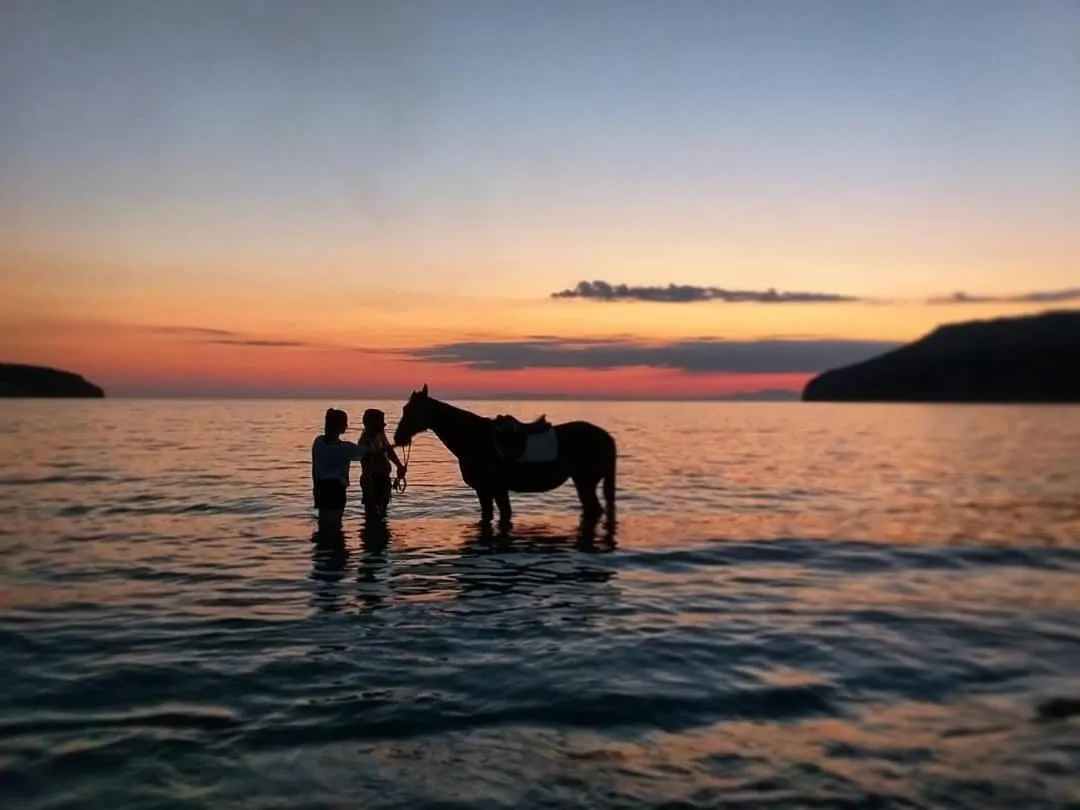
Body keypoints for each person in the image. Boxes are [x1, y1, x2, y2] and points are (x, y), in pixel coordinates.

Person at [311, 407, 384, 532]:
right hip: (336, 490)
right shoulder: (344, 449)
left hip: (320, 488)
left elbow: (314, 468)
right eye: (345, 423)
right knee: (334, 526)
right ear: (338, 426)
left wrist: (315, 488)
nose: (347, 425)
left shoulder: (318, 442)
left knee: (323, 525)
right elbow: (369, 451)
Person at [356, 408, 406, 520]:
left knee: (382, 514)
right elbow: (369, 460)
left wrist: (399, 465)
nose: (384, 425)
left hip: (383, 479)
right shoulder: (365, 441)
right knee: (373, 515)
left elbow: (388, 451)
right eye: (381, 422)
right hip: (372, 481)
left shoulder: (380, 435)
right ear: (372, 424)